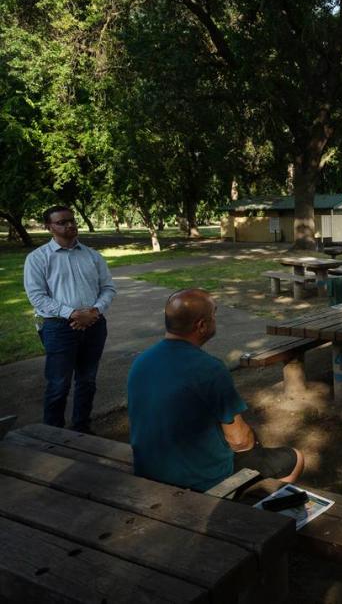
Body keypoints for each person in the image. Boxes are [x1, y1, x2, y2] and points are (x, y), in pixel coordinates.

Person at [127, 288, 304, 492]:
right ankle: (257, 513)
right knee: (295, 458)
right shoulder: (208, 368)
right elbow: (240, 442)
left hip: (149, 469)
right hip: (202, 480)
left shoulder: (141, 361)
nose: (215, 320)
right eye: (214, 315)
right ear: (202, 325)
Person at [24, 205, 116, 433]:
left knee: (87, 380)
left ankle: (81, 427)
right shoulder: (37, 258)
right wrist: (73, 314)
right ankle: (53, 432)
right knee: (58, 384)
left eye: (72, 220)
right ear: (49, 227)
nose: (70, 225)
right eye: (62, 222)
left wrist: (94, 312)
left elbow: (108, 288)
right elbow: (37, 297)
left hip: (94, 325)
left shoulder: (92, 255)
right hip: (58, 327)